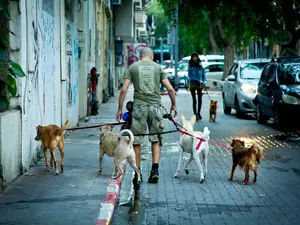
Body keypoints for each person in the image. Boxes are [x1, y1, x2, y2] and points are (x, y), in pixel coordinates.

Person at [116, 47, 177, 190]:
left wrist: (119, 109)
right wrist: (173, 105)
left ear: (139, 56)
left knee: (136, 140)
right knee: (156, 138)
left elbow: (124, 89)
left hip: (139, 108)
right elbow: (170, 89)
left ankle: (138, 174)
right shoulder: (158, 68)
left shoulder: (133, 67)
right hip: (155, 108)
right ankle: (154, 170)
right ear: (152, 56)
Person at [188, 52, 207, 120]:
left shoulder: (200, 66)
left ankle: (199, 113)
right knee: (194, 100)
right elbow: (190, 76)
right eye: (193, 57)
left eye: (196, 57)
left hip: (200, 84)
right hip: (193, 84)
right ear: (192, 58)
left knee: (200, 99)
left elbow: (203, 75)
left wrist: (205, 82)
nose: (195, 58)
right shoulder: (190, 66)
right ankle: (195, 114)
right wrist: (197, 80)